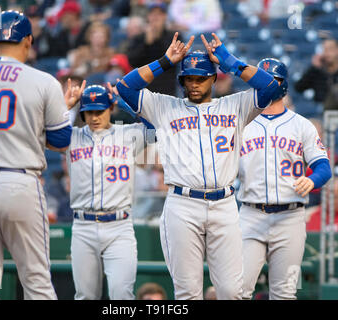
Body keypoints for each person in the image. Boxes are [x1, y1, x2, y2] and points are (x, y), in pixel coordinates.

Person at [116, 31, 288, 299]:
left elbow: (271, 88)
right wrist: (164, 61)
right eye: (189, 79)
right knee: (188, 293)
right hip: (183, 204)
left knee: (232, 292)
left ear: (213, 78)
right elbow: (125, 87)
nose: (194, 84)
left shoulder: (235, 105)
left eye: (200, 78)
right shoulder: (163, 107)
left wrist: (228, 61)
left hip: (224, 205)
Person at [0, 10, 83, 300]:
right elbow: (62, 140)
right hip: (17, 182)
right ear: (28, 40)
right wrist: (55, 114)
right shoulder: (41, 81)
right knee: (36, 280)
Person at [237, 58, 332, 300]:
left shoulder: (302, 126)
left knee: (285, 293)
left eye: (273, 80)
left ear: (283, 85)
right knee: (236, 290)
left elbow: (323, 167)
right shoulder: (241, 124)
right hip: (250, 214)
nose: (268, 84)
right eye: (263, 79)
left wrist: (312, 181)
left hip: (290, 217)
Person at [66, 83, 155, 300]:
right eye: (89, 112)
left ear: (110, 108)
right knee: (85, 296)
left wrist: (124, 101)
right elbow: (46, 135)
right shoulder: (72, 137)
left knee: (121, 295)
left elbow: (158, 127)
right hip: (83, 226)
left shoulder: (129, 134)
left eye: (100, 111)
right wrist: (67, 108)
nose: (94, 117)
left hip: (119, 226)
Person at [126, 2, 183, 95]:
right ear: (148, 16)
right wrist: (147, 43)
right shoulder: (139, 38)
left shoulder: (174, 36)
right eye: (153, 14)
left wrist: (159, 36)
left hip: (168, 87)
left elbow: (174, 58)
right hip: (144, 89)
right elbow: (132, 62)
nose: (156, 17)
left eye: (159, 14)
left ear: (165, 16)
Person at [294, 37, 338, 106]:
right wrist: (314, 68)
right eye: (325, 50)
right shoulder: (316, 71)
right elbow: (299, 87)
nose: (327, 53)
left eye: (330, 49)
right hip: (320, 111)